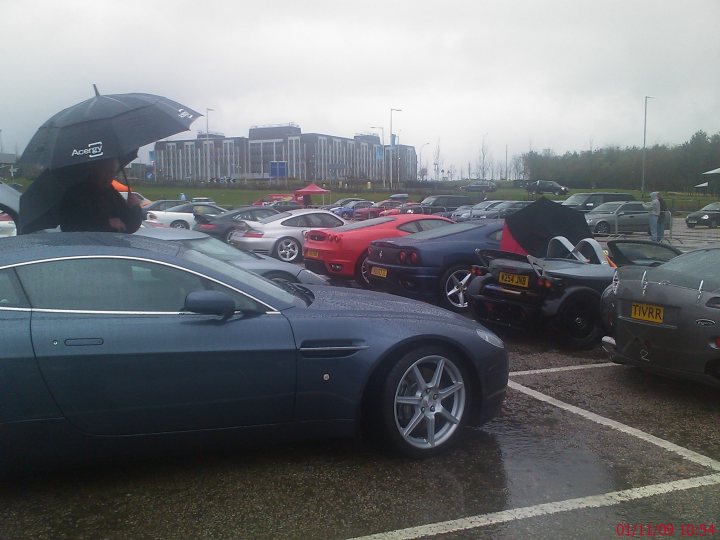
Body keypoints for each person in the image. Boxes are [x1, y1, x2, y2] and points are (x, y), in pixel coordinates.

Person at [58, 157, 143, 233]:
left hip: (112, 248)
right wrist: (106, 223)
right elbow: (68, 226)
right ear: (95, 169)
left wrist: (135, 208)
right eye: (104, 171)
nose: (108, 176)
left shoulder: (112, 194)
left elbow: (129, 227)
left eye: (112, 172)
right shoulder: (75, 194)